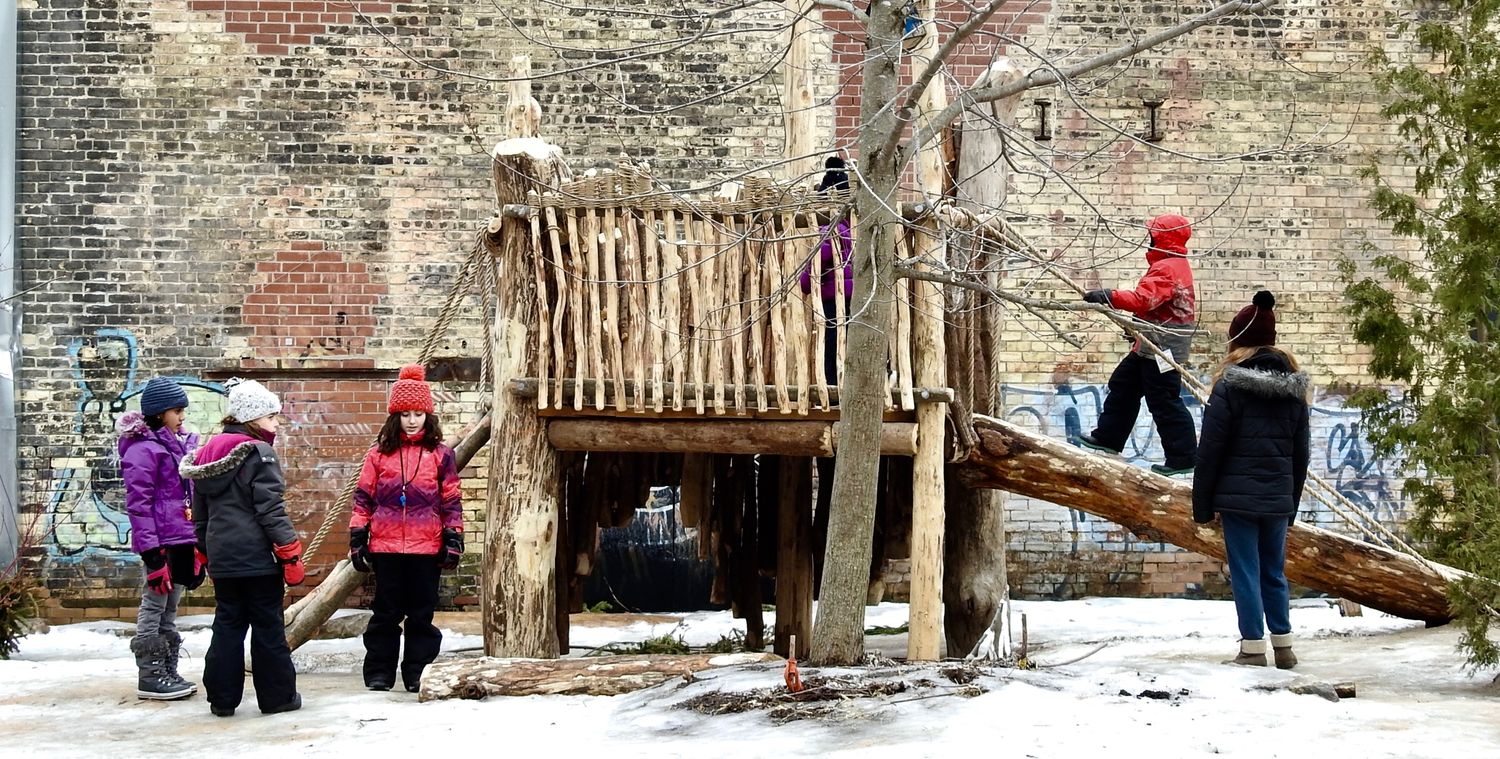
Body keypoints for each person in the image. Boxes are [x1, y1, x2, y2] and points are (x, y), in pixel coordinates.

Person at [1192, 291, 1309, 669]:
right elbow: (1301, 454)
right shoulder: (1294, 391)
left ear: (1237, 342)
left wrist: (1202, 505)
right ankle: (1285, 647)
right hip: (1277, 499)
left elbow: (1210, 449)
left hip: (1237, 500)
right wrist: (1290, 502)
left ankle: (1253, 648)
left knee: (1245, 571)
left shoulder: (1229, 387)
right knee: (1273, 571)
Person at [180, 378, 305, 716]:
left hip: (223, 560)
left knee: (227, 626)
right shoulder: (259, 453)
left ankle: (222, 699)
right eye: (270, 417)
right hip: (259, 561)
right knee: (267, 628)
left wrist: (204, 551)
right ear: (251, 418)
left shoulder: (207, 453)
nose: (275, 423)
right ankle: (278, 697)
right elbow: (270, 510)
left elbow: (201, 513)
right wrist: (289, 550)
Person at [348, 365, 463, 693]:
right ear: (395, 417)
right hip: (386, 547)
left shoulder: (441, 456)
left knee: (421, 615)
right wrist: (358, 537)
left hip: (426, 548)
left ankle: (416, 671)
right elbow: (363, 499)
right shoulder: (378, 455)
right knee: (385, 613)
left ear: (427, 416)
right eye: (405, 414)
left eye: (418, 414)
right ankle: (380, 672)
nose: (412, 420)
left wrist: (453, 538)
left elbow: (451, 501)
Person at [1078, 213, 1199, 475]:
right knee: (1124, 384)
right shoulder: (1169, 264)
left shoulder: (1168, 268)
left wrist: (1108, 296)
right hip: (1151, 344)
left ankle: (1184, 457)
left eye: (1153, 234)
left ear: (1163, 237)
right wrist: (1137, 328)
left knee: (1164, 399)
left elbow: (1145, 299)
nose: (1149, 239)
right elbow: (1156, 306)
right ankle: (1109, 437)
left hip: (1163, 348)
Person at [118, 377, 205, 701]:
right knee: (154, 605)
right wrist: (152, 555)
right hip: (160, 544)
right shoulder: (144, 450)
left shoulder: (178, 446)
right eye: (176, 410)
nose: (182, 416)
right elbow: (139, 505)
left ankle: (167, 669)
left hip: (180, 540)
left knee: (170, 607)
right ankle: (150, 674)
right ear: (158, 413)